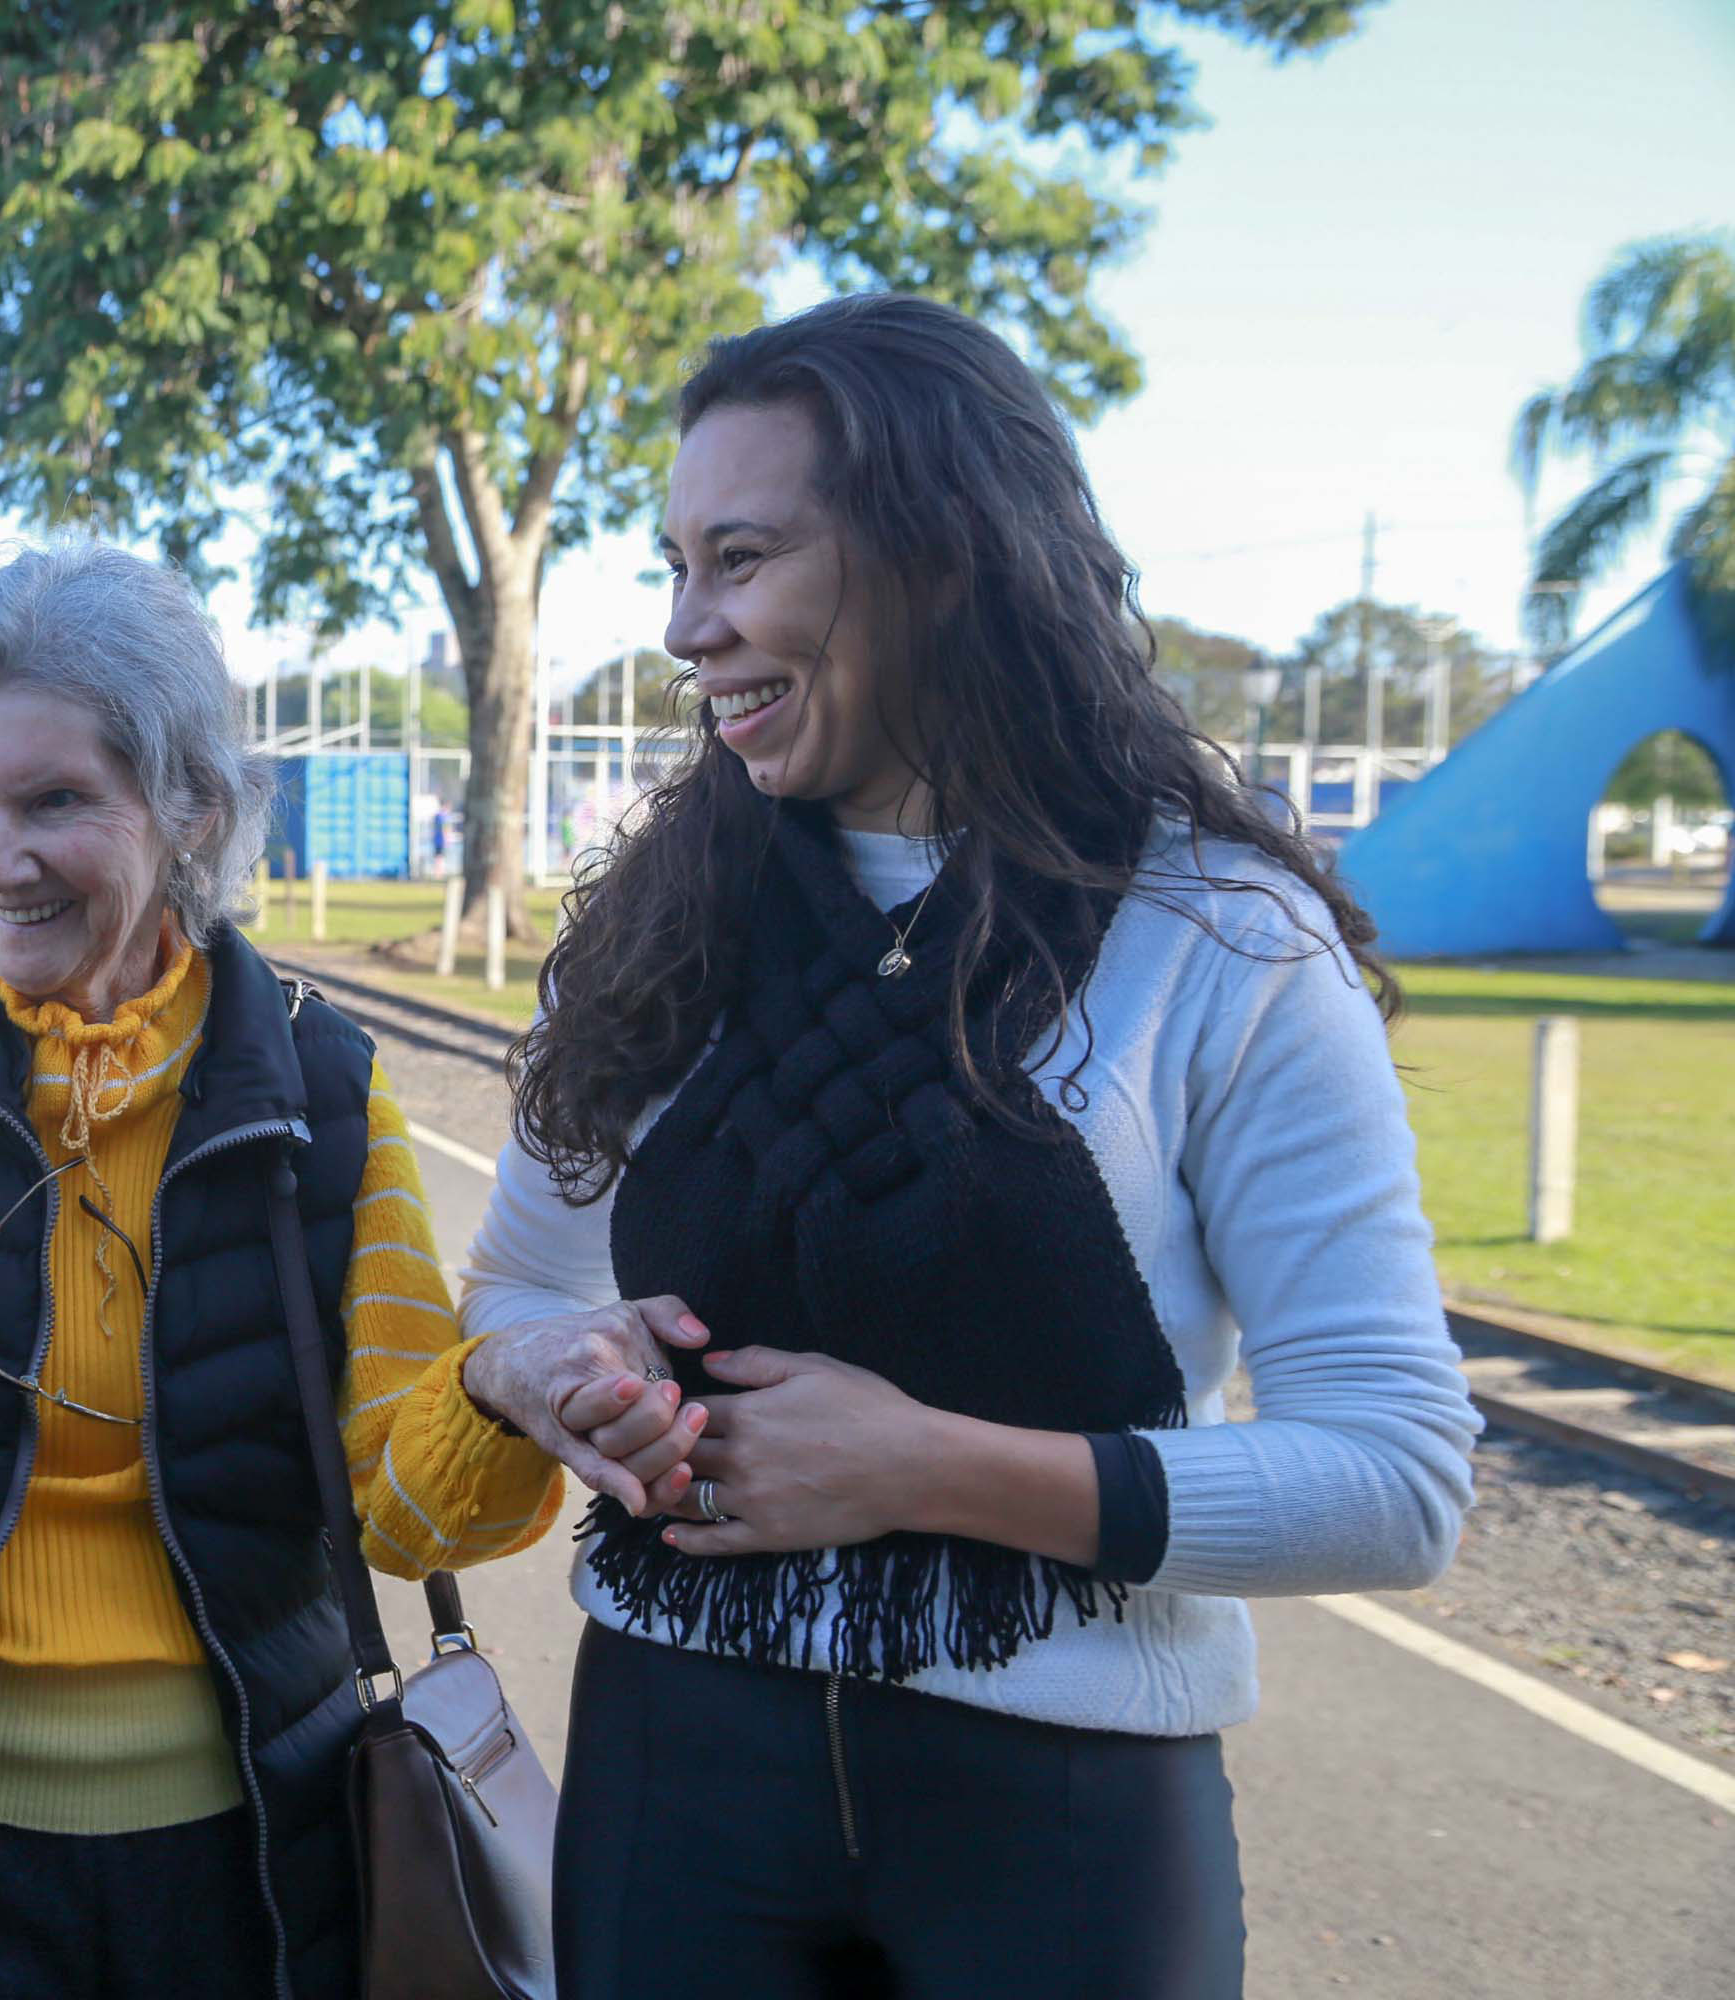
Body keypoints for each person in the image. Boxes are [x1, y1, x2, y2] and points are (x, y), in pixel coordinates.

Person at [462, 296, 1483, 1998]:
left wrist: (925, 1466)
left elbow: (1396, 1481)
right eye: (675, 567)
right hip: (672, 1778)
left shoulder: (1220, 937)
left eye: (741, 558)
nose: (687, 627)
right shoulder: (659, 926)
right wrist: (559, 1370)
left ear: (941, 557)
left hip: (1068, 1822)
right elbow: (513, 1294)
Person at [0, 544, 577, 2000]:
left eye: (56, 800)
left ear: (192, 809)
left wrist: (505, 1390)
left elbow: (401, 1509)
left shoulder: (321, 1089)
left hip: (266, 1863)